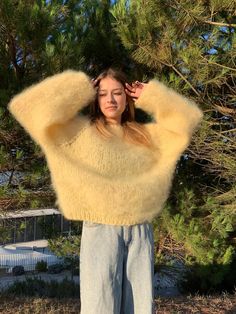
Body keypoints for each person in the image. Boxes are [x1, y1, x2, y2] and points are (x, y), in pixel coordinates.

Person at [8, 68, 203, 314]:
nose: (110, 100)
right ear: (95, 99)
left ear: (128, 97)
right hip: (100, 231)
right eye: (102, 94)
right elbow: (27, 109)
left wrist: (152, 95)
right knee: (99, 307)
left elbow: (188, 120)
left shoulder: (145, 136)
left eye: (118, 93)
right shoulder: (80, 133)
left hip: (139, 232)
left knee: (140, 308)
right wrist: (77, 90)